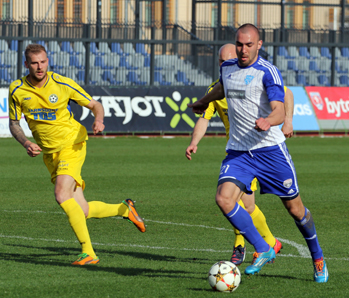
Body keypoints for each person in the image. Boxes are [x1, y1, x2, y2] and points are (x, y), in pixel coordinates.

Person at [188, 24, 328, 283]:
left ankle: (318, 257)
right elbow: (223, 87)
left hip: (270, 152)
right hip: (239, 152)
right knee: (224, 199)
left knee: (296, 210)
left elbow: (278, 107)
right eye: (239, 44)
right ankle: (263, 248)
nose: (243, 50)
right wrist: (204, 100)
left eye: (248, 45)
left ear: (259, 45)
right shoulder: (227, 68)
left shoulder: (267, 72)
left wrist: (272, 120)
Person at [8, 44, 146, 266]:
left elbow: (95, 104)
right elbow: (14, 122)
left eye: (43, 61)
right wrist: (25, 142)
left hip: (72, 144)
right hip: (49, 152)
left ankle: (88, 252)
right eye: (34, 63)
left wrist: (98, 119)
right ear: (26, 65)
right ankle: (124, 209)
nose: (39, 66)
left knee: (61, 195)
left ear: (47, 61)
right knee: (82, 210)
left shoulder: (62, 83)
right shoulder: (17, 90)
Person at [185, 43, 295, 266]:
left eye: (227, 61)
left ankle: (246, 244)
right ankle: (268, 242)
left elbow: (287, 93)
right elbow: (204, 117)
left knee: (239, 203)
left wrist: (289, 121)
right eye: (220, 62)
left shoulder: (253, 78)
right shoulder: (217, 89)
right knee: (243, 205)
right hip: (238, 155)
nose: (224, 65)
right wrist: (194, 142)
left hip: (261, 151)